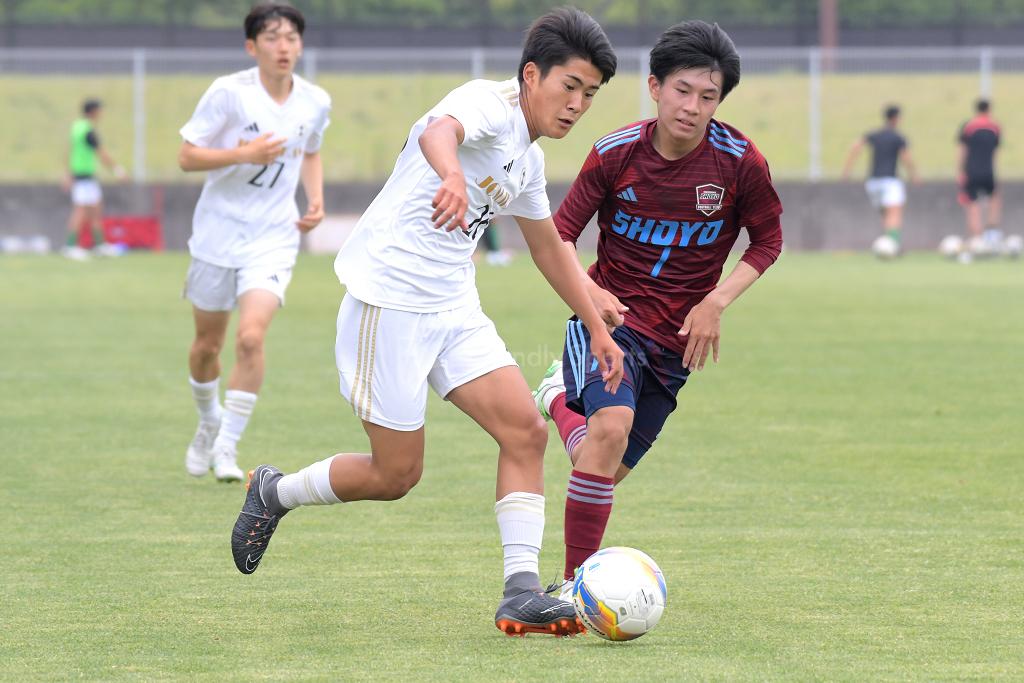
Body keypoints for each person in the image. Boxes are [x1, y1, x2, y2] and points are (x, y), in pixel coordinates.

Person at [230, 7, 623, 638]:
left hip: (453, 307)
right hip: (387, 302)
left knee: (526, 432)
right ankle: (275, 492)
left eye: (590, 94)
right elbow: (439, 132)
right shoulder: (488, 103)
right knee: (396, 475)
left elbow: (549, 248)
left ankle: (521, 591)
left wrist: (597, 328)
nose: (577, 104)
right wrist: (452, 175)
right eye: (569, 85)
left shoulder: (527, 160)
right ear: (531, 75)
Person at [528, 20, 783, 598]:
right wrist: (589, 295)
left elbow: (768, 241)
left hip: (676, 345)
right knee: (610, 429)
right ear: (655, 87)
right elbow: (559, 235)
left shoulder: (740, 162)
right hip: (610, 325)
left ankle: (557, 398)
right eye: (682, 90)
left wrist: (716, 301)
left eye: (708, 96)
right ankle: (573, 590)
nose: (692, 107)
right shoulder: (614, 153)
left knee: (604, 464)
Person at [177, 2, 331, 482]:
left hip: (273, 236)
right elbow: (187, 156)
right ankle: (209, 420)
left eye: (291, 38)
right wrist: (243, 154)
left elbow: (311, 150)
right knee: (207, 346)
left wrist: (316, 198)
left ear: (300, 45)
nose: (283, 47)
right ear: (251, 46)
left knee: (250, 337)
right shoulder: (229, 93)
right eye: (271, 37)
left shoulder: (315, 100)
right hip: (218, 231)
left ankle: (227, 446)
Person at [841, 104, 918, 251]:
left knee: (886, 215)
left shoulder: (875, 134)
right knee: (894, 213)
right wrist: (913, 175)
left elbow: (855, 146)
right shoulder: (898, 137)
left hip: (873, 182)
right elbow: (906, 158)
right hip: (890, 181)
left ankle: (887, 245)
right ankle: (894, 246)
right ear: (896, 118)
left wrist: (847, 171)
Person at [61, 99, 127, 260]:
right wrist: (118, 170)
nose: (101, 114)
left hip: (83, 175)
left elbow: (70, 150)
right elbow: (101, 153)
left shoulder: (76, 127)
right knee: (81, 211)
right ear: (93, 111)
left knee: (95, 211)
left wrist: (67, 173)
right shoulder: (88, 130)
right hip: (84, 176)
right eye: (99, 110)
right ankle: (70, 246)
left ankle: (100, 245)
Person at [957, 98, 1001, 253]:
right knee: (994, 199)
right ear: (989, 110)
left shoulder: (968, 127)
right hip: (989, 171)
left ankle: (977, 238)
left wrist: (960, 171)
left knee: (973, 203)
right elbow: (995, 152)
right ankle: (992, 234)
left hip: (972, 171)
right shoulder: (995, 127)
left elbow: (962, 151)